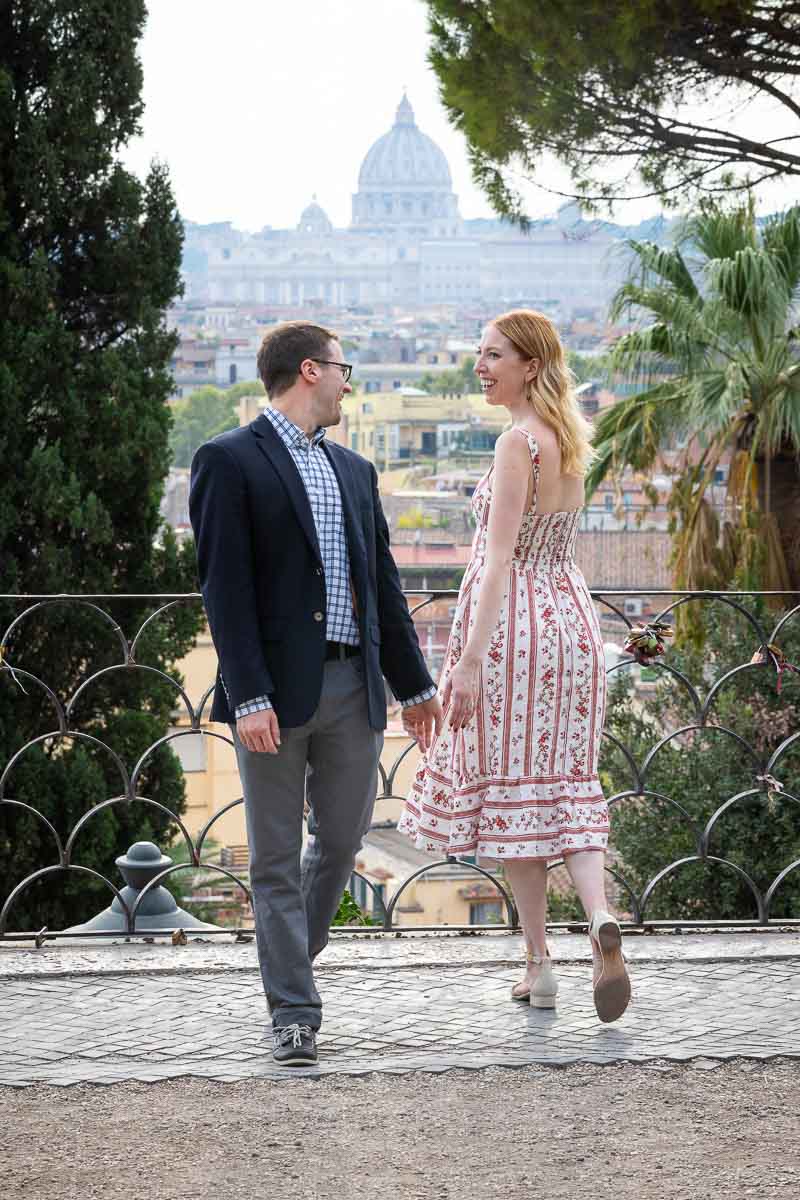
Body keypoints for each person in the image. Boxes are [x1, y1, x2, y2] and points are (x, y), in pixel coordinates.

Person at [190, 321, 442, 1066]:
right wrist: (248, 693)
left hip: (352, 686)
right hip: (270, 694)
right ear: (308, 370)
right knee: (272, 860)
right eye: (342, 368)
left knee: (339, 842)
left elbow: (385, 591)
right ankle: (294, 1012)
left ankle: (288, 962)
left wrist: (414, 683)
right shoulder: (228, 460)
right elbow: (223, 592)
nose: (348, 381)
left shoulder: (356, 473)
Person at [398, 309, 630, 1023]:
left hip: (516, 634)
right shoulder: (571, 438)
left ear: (531, 365)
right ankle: (597, 919)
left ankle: (539, 964)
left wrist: (467, 661)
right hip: (572, 625)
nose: (479, 364)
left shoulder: (516, 443)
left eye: (493, 354)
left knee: (514, 794)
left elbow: (498, 560)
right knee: (566, 783)